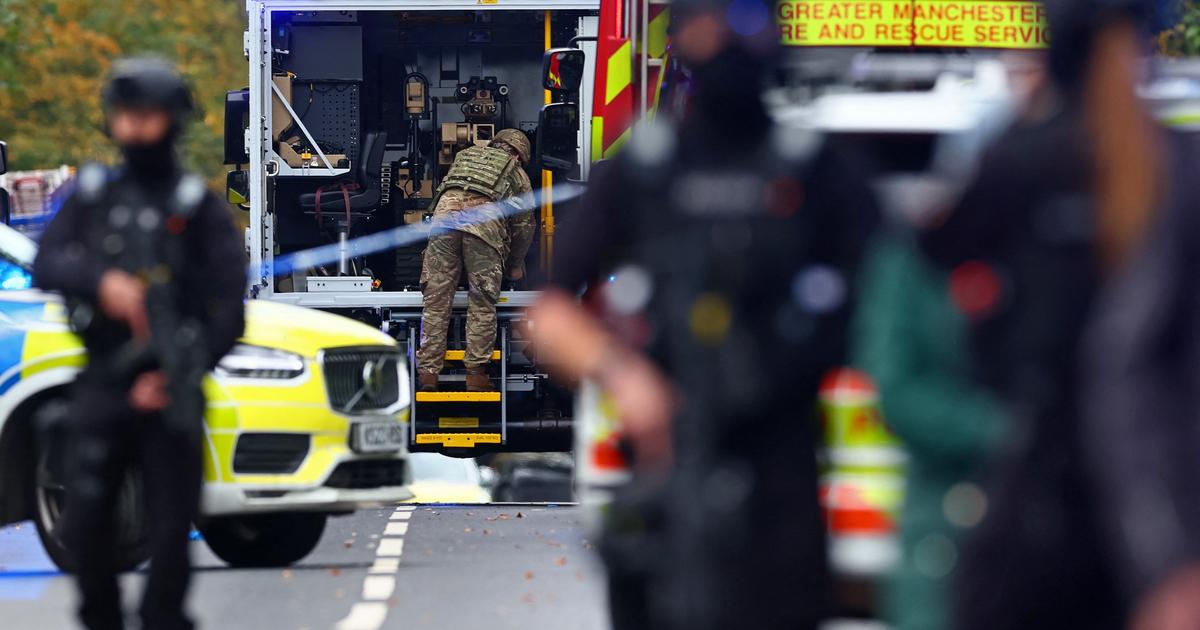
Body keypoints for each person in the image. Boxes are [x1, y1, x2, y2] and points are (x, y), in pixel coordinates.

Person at [527, 1, 878, 627]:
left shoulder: (817, 169)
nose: (731, 40)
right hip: (671, 470)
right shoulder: (648, 168)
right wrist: (626, 378)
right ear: (684, 34)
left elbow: (892, 304)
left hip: (782, 475)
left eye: (748, 20)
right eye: (713, 22)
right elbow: (550, 316)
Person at [908, 1, 1191, 628]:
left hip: (1047, 479)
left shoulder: (1024, 158)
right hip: (1143, 501)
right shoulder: (1173, 167)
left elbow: (938, 246)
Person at [33, 57, 246, 630]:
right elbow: (46, 261)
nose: (135, 129)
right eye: (126, 116)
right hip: (105, 380)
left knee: (171, 529)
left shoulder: (195, 207)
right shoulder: (94, 195)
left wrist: (183, 371)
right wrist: (101, 282)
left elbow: (229, 309)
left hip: (169, 385)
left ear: (172, 120)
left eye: (148, 116)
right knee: (86, 525)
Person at [416, 129, 533, 392]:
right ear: (517, 154)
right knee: (481, 302)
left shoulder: (465, 156)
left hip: (443, 224)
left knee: (435, 302)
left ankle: (428, 375)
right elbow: (524, 225)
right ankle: (475, 375)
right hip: (484, 227)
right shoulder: (516, 171)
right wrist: (515, 263)